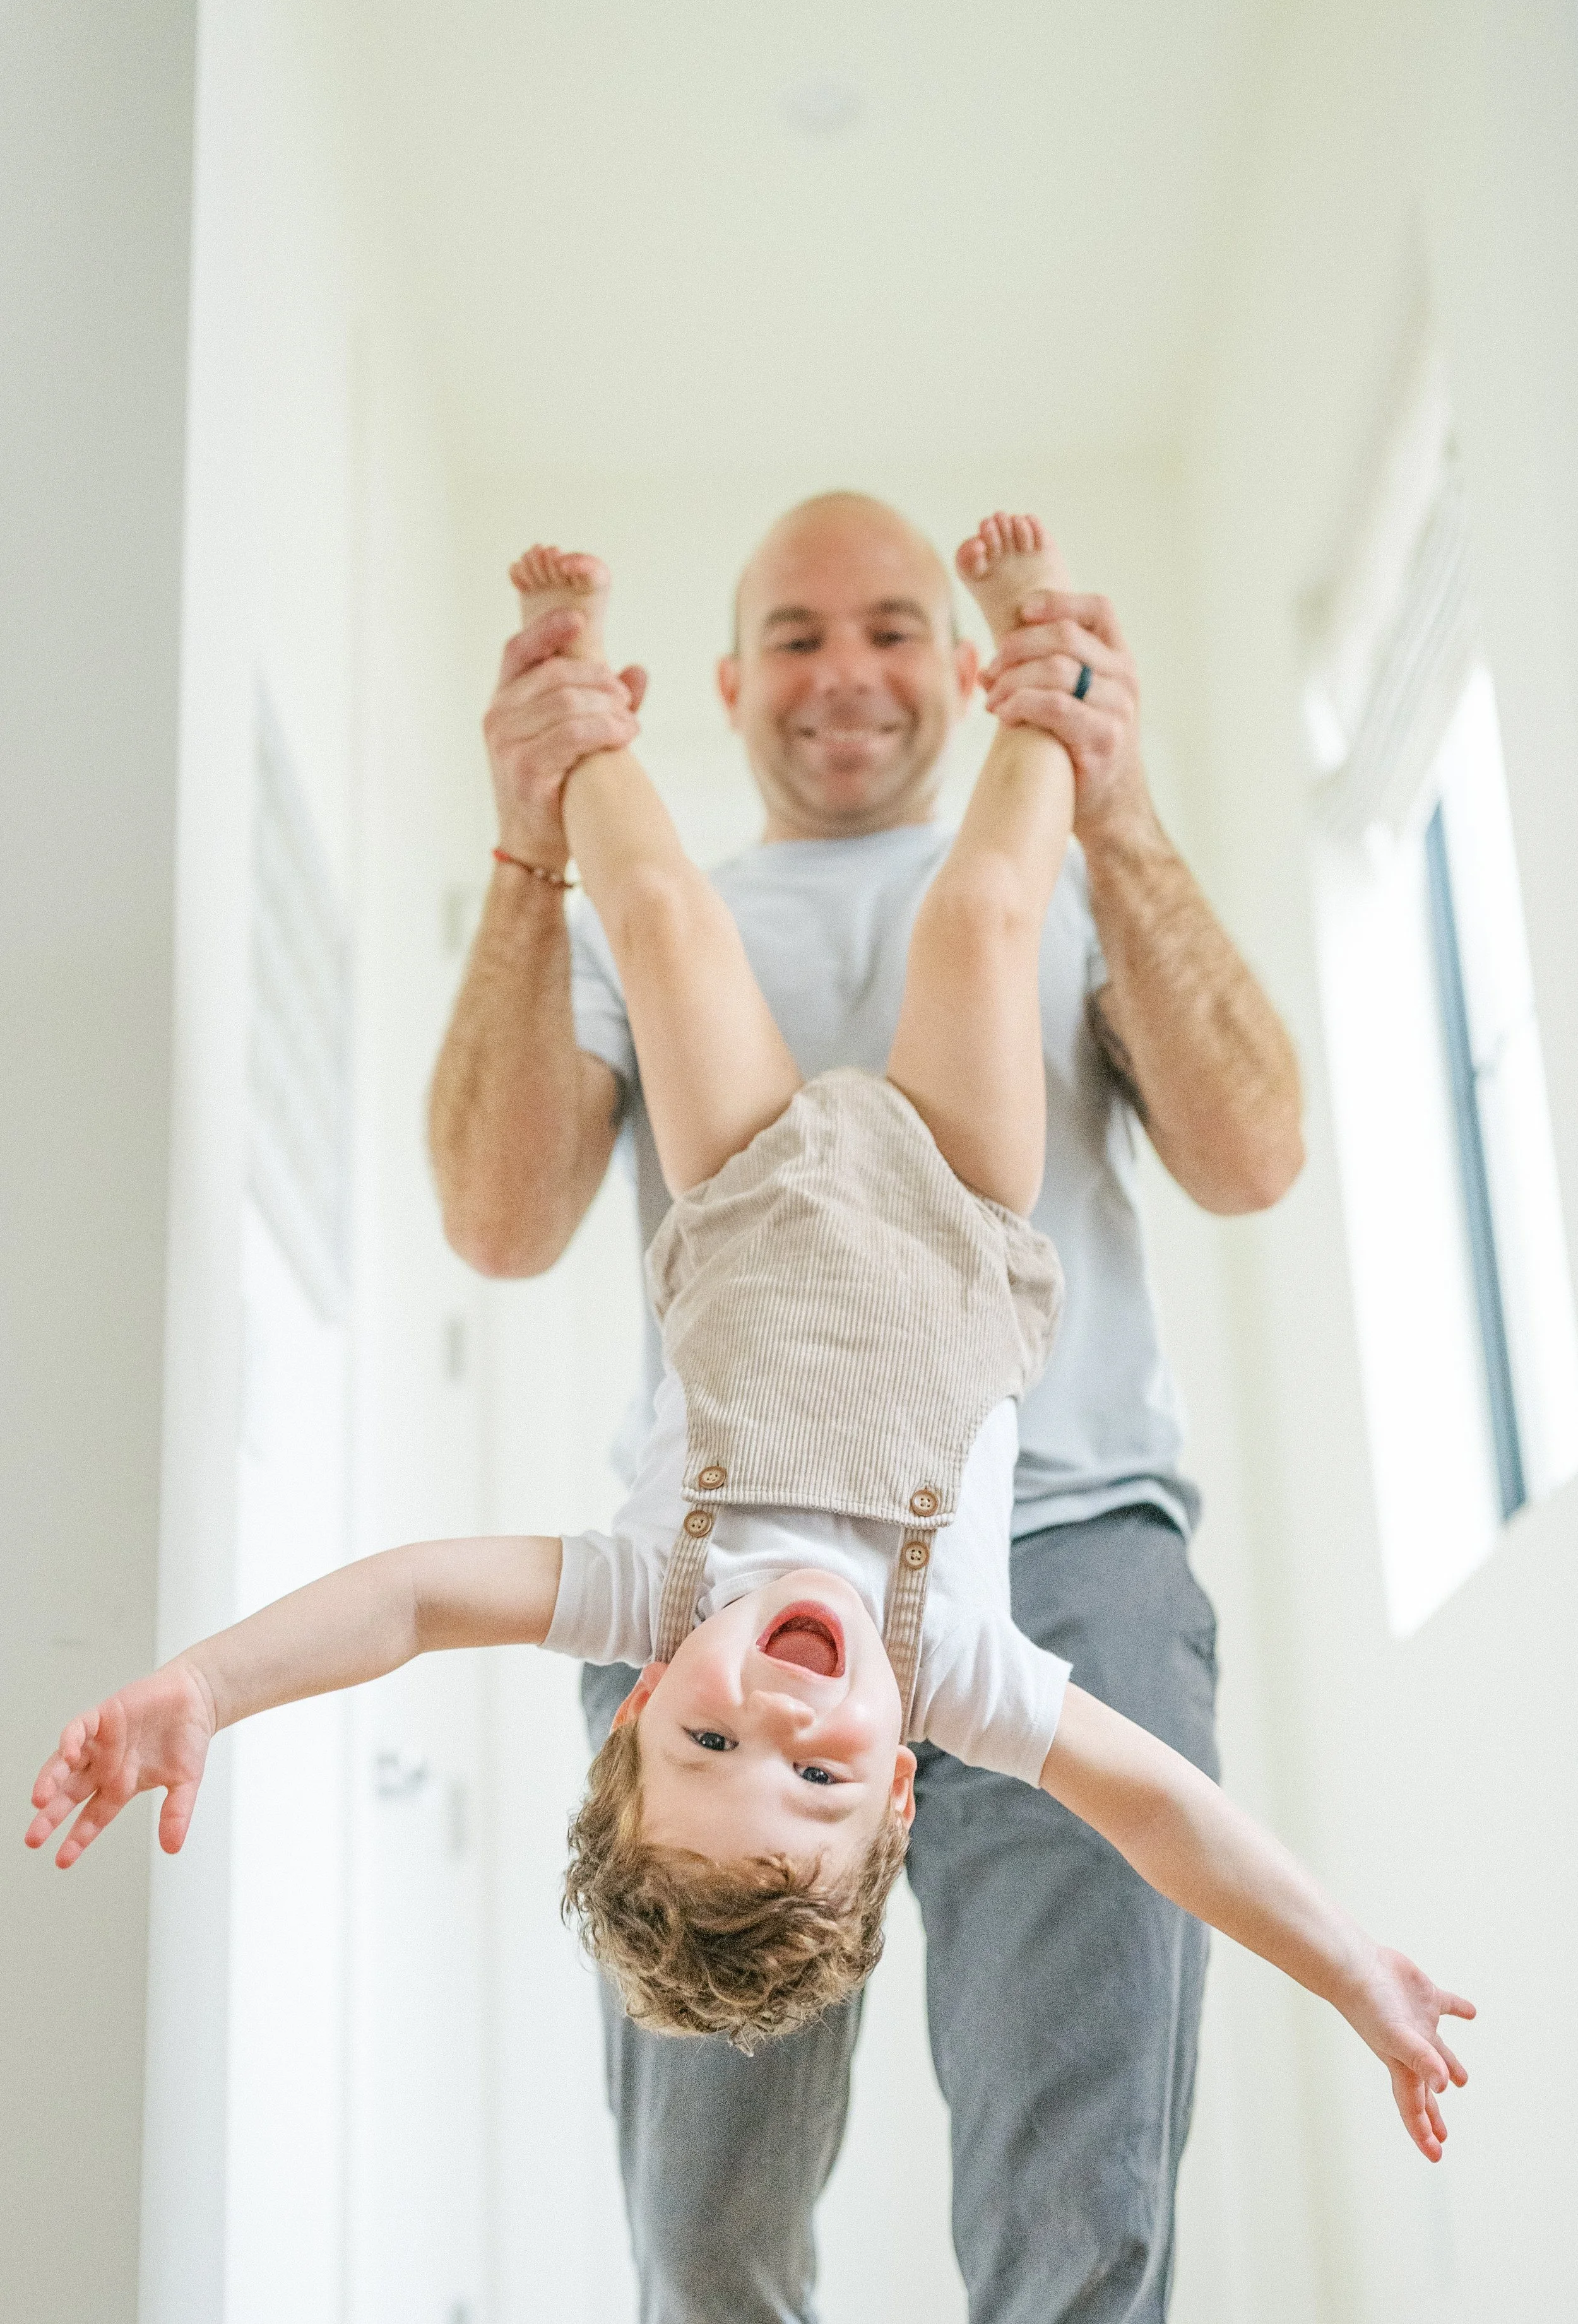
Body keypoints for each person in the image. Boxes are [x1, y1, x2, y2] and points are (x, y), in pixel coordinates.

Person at [28, 522, 1472, 2169]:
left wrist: (207, 1678)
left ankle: (566, 683)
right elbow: (1168, 1820)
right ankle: (1041, 660)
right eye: (817, 1773)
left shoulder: (653, 1586)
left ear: (637, 1702)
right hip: (956, 1198)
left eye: (710, 1742)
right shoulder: (962, 1673)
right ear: (902, 1784)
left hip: (742, 1190)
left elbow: (415, 1599)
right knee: (984, 921)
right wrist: (1351, 1966)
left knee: (652, 915)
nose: (777, 1717)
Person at [428, 490, 1303, 2321]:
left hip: (1066, 1570)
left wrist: (1107, 792)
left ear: (964, 664)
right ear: (733, 685)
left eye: (893, 629)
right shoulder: (641, 917)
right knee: (702, 2218)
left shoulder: (1058, 869)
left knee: (1080, 2198)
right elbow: (498, 1223)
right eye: (803, 639)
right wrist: (531, 850)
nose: (848, 675)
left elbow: (1251, 1157)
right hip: (722, 1602)